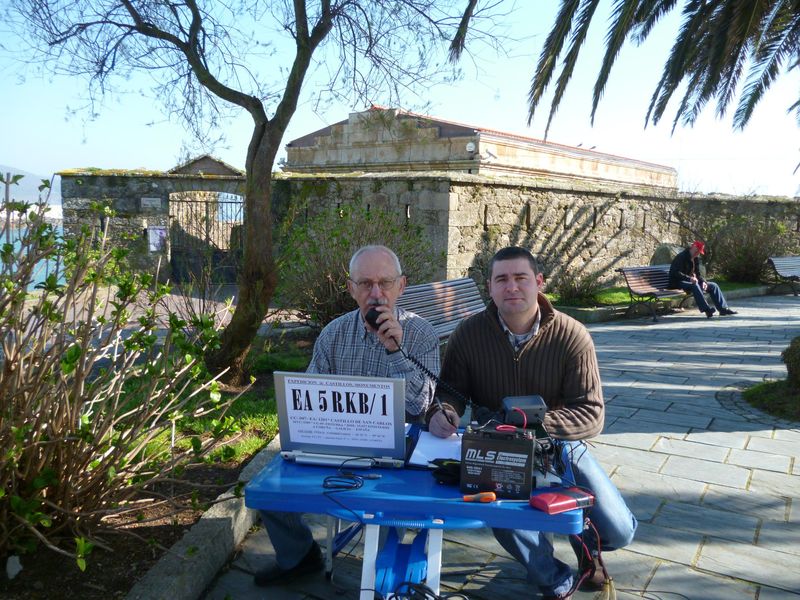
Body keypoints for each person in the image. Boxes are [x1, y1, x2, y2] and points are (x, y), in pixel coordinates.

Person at [427, 246, 636, 600]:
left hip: (560, 445)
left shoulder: (572, 335)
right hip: (496, 448)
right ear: (490, 288)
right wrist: (442, 412)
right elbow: (450, 393)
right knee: (509, 518)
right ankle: (553, 578)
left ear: (538, 282)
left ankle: (588, 547)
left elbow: (590, 413)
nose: (511, 287)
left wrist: (531, 425)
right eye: (501, 279)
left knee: (619, 531)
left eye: (521, 277)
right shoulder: (468, 334)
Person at [254, 244, 440, 587]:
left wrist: (395, 351)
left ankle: (389, 569)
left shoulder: (421, 334)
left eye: (385, 283)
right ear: (351, 288)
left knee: (383, 549)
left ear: (401, 286)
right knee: (267, 489)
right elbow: (306, 403)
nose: (376, 293)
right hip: (337, 443)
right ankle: (299, 556)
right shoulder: (333, 333)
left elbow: (420, 406)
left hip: (396, 456)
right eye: (365, 284)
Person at [669, 240, 737, 318]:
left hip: (690, 282)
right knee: (695, 285)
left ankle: (723, 309)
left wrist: (703, 282)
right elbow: (675, 273)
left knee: (713, 286)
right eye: (698, 251)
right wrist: (689, 279)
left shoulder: (695, 259)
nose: (698, 254)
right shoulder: (681, 257)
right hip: (677, 282)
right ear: (694, 248)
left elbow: (698, 274)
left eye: (699, 252)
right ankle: (707, 310)